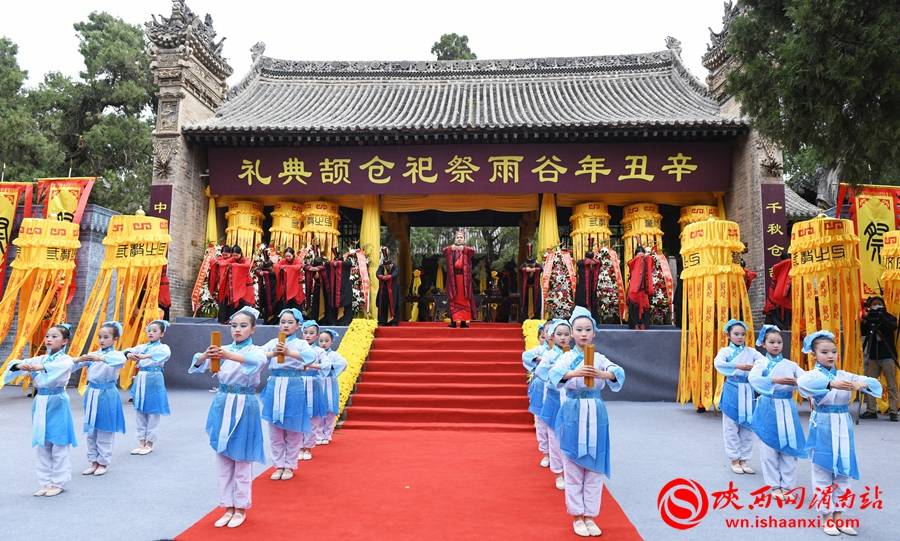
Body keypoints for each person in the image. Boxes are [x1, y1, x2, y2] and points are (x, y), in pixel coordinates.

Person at [549, 306, 625, 537]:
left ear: (594, 333)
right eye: (579, 329)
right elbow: (553, 375)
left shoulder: (599, 358)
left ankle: (590, 515)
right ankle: (577, 515)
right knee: (572, 465)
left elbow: (617, 372)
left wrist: (604, 374)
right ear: (572, 333)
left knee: (594, 466)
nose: (583, 334)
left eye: (588, 329)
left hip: (596, 410)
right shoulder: (567, 357)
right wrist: (575, 373)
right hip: (573, 410)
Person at [798, 330, 882, 537]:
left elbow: (874, 383)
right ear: (814, 354)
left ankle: (839, 516)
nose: (830, 355)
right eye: (824, 352)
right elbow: (803, 386)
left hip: (843, 425)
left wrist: (863, 384)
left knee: (843, 472)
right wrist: (829, 384)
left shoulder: (844, 374)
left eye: (833, 351)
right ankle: (826, 516)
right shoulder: (812, 376)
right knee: (822, 472)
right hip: (823, 424)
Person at [190, 306, 267, 529]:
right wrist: (206, 355)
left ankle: (241, 506)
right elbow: (197, 365)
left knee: (241, 458)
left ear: (252, 329)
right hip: (223, 403)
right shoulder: (221, 348)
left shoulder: (255, 351)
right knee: (223, 456)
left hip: (245, 404)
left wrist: (227, 355)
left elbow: (256, 363)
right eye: (234, 326)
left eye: (243, 326)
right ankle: (227, 505)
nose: (237, 330)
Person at [2, 324, 77, 497]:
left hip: (57, 401)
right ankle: (45, 481)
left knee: (58, 443)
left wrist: (41, 368)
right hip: (41, 401)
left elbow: (61, 367)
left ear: (65, 341)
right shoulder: (41, 358)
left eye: (54, 336)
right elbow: (15, 364)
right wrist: (20, 366)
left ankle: (58, 481)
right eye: (48, 336)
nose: (49, 339)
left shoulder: (64, 360)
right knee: (42, 443)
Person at [748, 325, 806, 500]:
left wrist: (798, 382)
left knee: (789, 447)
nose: (776, 345)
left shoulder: (791, 364)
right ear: (763, 344)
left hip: (787, 407)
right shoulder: (760, 363)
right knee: (768, 449)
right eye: (771, 342)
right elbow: (754, 378)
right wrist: (774, 379)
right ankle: (774, 486)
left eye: (779, 342)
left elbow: (807, 379)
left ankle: (788, 486)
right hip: (767, 407)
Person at [261, 308, 315, 480]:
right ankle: (278, 464)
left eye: (290, 322)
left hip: (294, 386)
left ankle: (290, 465)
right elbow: (258, 355)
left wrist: (289, 353)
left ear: (298, 325)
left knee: (293, 427)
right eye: (283, 322)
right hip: (275, 384)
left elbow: (310, 357)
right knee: (275, 427)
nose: (285, 325)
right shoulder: (273, 342)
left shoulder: (301, 344)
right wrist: (273, 353)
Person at [73, 321, 127, 476]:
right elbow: (74, 365)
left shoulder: (115, 355)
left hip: (107, 394)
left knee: (104, 429)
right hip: (92, 393)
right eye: (100, 337)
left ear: (115, 339)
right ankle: (93, 461)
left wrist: (99, 359)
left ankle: (103, 461)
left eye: (106, 337)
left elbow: (120, 360)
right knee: (91, 430)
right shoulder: (94, 354)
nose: (102, 340)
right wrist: (80, 359)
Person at [714, 319, 765, 474]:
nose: (740, 337)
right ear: (729, 335)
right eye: (736, 334)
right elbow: (718, 363)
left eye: (743, 334)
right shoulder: (725, 352)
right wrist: (737, 366)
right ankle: (734, 459)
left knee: (747, 426)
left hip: (748, 389)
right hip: (732, 388)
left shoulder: (751, 352)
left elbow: (764, 362)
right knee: (730, 426)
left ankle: (744, 459)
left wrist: (755, 368)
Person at [536, 319, 572, 491]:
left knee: (569, 438)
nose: (563, 338)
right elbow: (540, 372)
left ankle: (571, 471)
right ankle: (558, 472)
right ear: (552, 336)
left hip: (570, 401)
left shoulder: (575, 354)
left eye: (566, 334)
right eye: (559, 334)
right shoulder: (549, 355)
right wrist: (556, 375)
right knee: (554, 438)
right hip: (553, 399)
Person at [126, 320, 172, 456]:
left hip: (154, 379)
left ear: (162, 333)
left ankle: (150, 442)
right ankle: (141, 441)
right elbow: (127, 350)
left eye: (155, 330)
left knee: (153, 411)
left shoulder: (163, 348)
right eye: (149, 330)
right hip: (141, 379)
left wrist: (143, 356)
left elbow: (164, 355)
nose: (151, 333)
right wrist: (129, 354)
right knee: (140, 410)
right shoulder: (142, 346)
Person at [860, 296, 899, 421]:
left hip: (887, 355)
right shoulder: (870, 318)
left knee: (892, 385)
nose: (876, 308)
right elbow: (863, 332)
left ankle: (893, 411)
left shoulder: (889, 317)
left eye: (879, 305)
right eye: (874, 306)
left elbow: (893, 327)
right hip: (873, 357)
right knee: (869, 383)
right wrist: (866, 319)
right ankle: (871, 410)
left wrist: (881, 316)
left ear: (883, 306)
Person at [299, 319, 326, 460]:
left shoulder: (319, 351)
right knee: (298, 416)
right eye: (305, 333)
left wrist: (310, 366)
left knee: (313, 417)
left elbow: (327, 366)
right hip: (297, 385)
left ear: (317, 335)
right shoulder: (297, 348)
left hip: (313, 384)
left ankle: (308, 446)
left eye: (311, 333)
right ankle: (298, 446)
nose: (308, 335)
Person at [523, 324, 550, 467]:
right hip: (540, 389)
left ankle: (556, 452)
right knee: (540, 421)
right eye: (548, 331)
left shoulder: (565, 352)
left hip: (556, 392)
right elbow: (527, 356)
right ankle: (545, 452)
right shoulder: (541, 350)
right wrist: (540, 359)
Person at [316, 329, 348, 444]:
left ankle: (328, 433)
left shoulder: (334, 355)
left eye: (326, 341)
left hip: (330, 383)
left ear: (331, 342)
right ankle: (318, 434)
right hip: (319, 383)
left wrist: (328, 367)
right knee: (319, 410)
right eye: (321, 341)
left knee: (330, 410)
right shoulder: (316, 353)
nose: (323, 343)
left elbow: (343, 364)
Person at [443, 229, 476, 328]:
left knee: (464, 299)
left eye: (461, 237)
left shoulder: (466, 250)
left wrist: (462, 248)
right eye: (457, 237)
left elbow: (472, 251)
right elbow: (444, 250)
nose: (459, 239)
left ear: (464, 239)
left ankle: (463, 322)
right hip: (453, 280)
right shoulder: (450, 250)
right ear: (454, 239)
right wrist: (452, 248)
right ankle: (453, 321)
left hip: (464, 280)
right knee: (453, 299)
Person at [220, 245, 255, 324]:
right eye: (233, 255)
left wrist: (234, 265)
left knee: (243, 304)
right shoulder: (232, 259)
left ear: (241, 253)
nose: (235, 257)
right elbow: (223, 264)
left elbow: (247, 265)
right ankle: (232, 320)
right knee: (233, 302)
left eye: (237, 255)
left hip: (245, 286)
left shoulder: (245, 260)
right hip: (235, 286)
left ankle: (244, 321)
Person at [625, 245, 654, 330]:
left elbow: (629, 264)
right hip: (644, 288)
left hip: (634, 288)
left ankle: (635, 325)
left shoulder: (633, 260)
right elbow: (652, 263)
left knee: (634, 306)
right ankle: (643, 324)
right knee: (644, 306)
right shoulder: (648, 259)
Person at [275, 247, 306, 315]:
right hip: (287, 287)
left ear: (293, 255)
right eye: (286, 256)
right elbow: (276, 266)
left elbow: (298, 267)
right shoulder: (283, 261)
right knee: (286, 305)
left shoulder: (297, 261)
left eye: (289, 256)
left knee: (296, 304)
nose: (287, 258)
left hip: (296, 286)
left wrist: (285, 267)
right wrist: (281, 267)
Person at [376, 247, 402, 326]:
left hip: (393, 290)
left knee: (394, 304)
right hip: (384, 290)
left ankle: (393, 321)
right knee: (382, 304)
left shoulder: (395, 267)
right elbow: (377, 273)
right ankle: (383, 321)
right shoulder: (381, 267)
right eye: (385, 265)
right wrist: (381, 276)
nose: (387, 267)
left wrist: (388, 277)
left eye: (388, 265)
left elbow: (395, 273)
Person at [519, 243, 543, 321]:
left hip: (535, 287)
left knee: (536, 303)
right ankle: (525, 318)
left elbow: (541, 269)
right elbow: (520, 269)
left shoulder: (537, 265)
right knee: (525, 303)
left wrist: (534, 269)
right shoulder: (524, 265)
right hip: (526, 288)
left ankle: (535, 317)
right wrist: (526, 270)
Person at [211, 245, 233, 323]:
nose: (225, 256)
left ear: (230, 253)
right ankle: (222, 320)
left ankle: (229, 320)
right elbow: (213, 263)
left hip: (230, 286)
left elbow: (224, 264)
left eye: (226, 254)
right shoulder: (219, 260)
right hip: (221, 286)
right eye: (223, 254)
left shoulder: (232, 260)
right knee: (222, 303)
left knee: (230, 304)